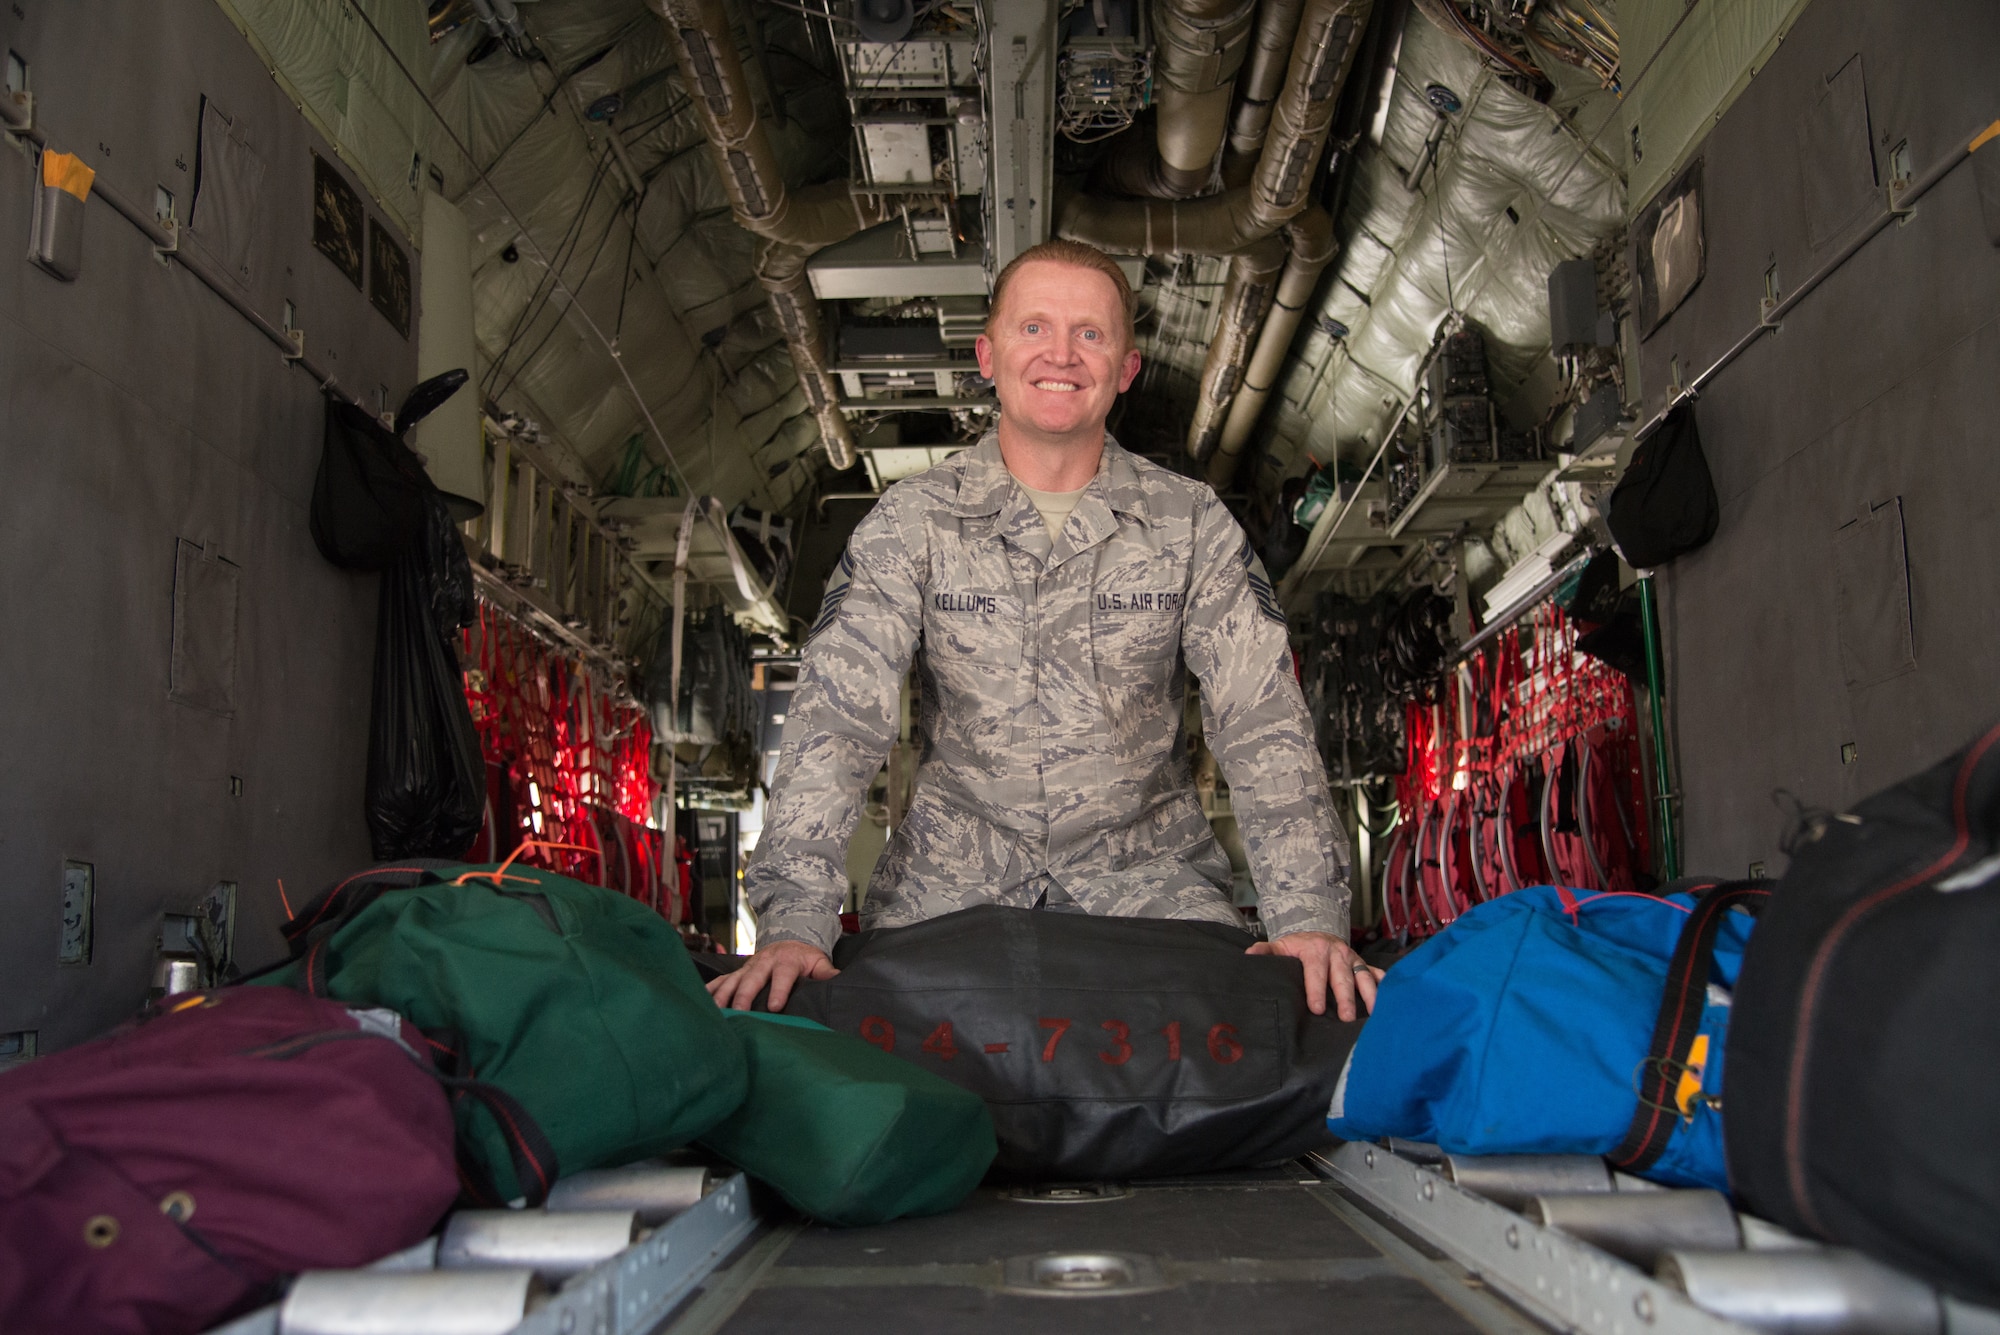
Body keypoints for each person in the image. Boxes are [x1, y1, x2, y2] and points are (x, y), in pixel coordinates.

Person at [711, 238, 1382, 1021]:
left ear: (1126, 369)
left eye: (1090, 334)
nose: (1061, 354)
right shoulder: (913, 524)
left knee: (1229, 1074)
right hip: (949, 894)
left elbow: (1261, 717)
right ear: (987, 355)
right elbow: (836, 715)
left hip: (1151, 890)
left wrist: (1305, 914)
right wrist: (794, 921)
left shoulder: (1191, 525)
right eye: (1034, 329)